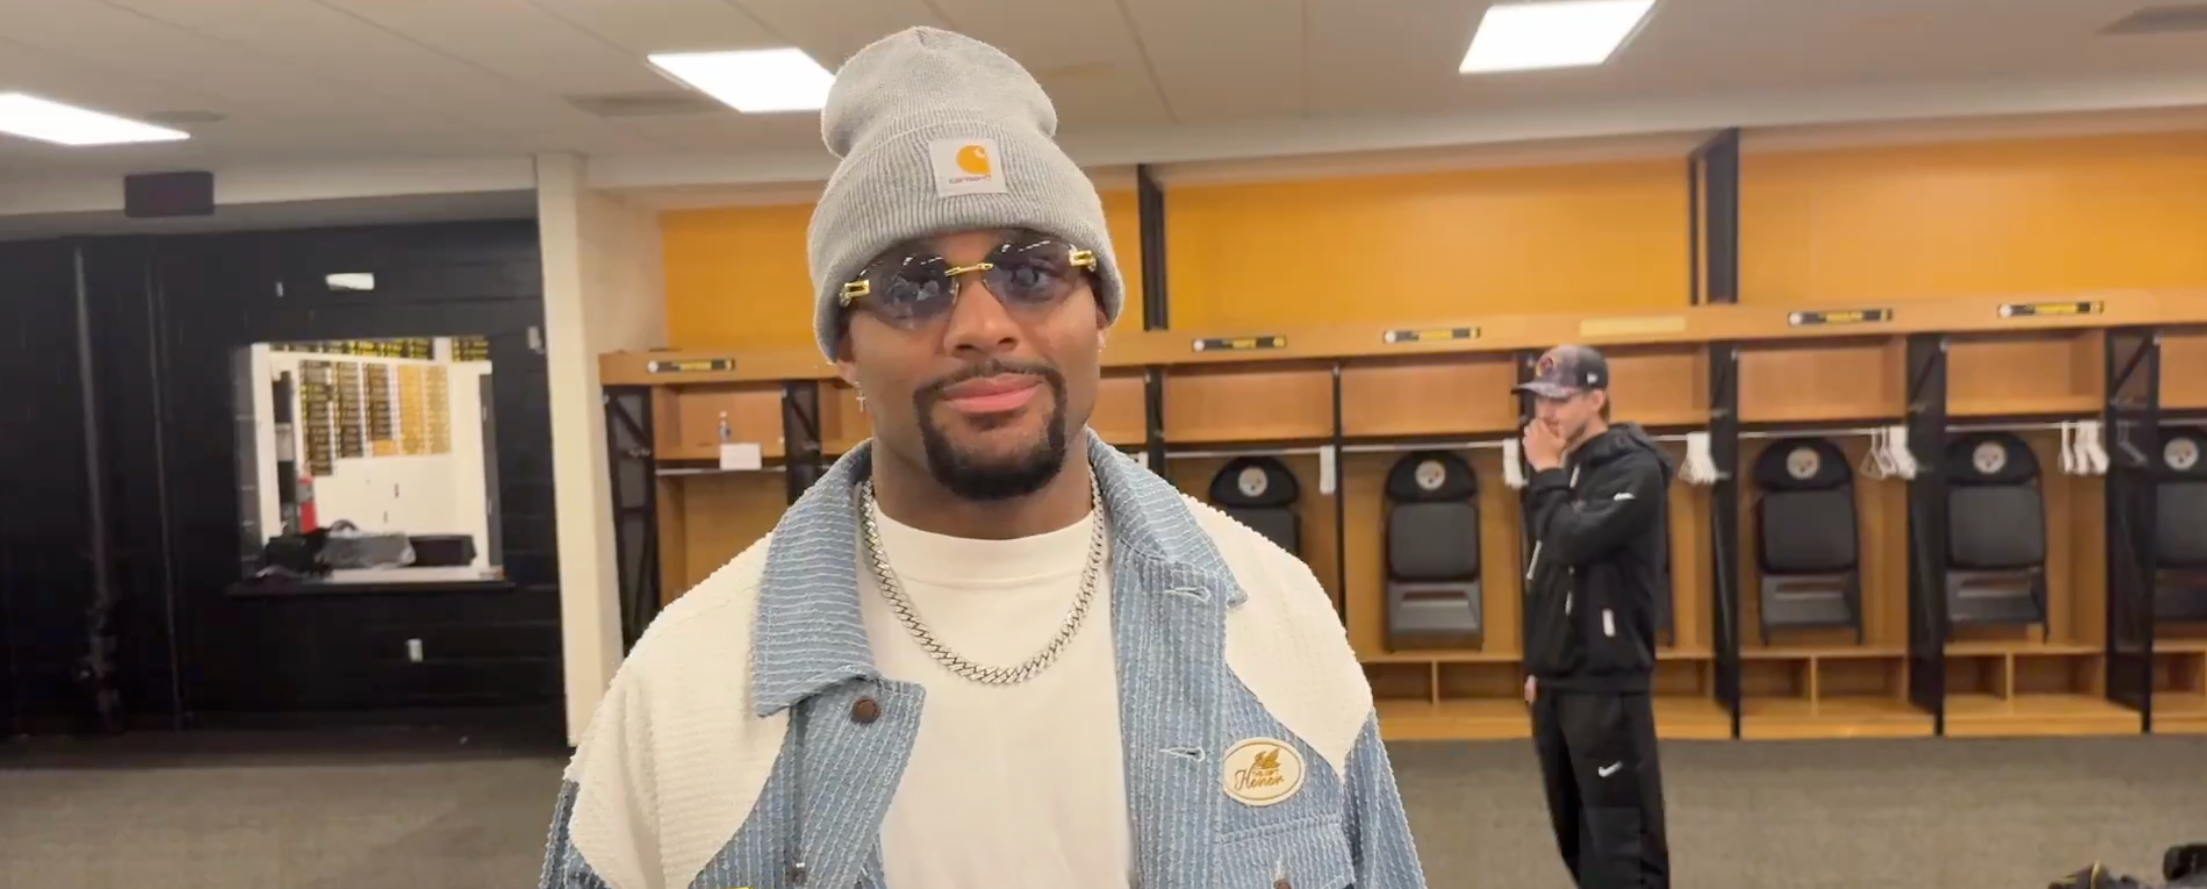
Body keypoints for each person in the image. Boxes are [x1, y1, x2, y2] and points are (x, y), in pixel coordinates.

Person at [538, 26, 1426, 889]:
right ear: (843, 345)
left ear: (1099, 311)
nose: (982, 326)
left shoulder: (1273, 615)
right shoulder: (687, 680)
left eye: (1032, 272)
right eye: (912, 286)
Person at [1514, 344, 1675, 889]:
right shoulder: (1562, 470)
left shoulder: (1635, 469)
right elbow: (1545, 574)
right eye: (1540, 400)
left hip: (1608, 685)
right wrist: (1538, 664)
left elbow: (1572, 541)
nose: (1547, 413)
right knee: (1578, 839)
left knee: (1623, 844)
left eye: (1560, 399)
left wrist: (1545, 473)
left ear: (1597, 398)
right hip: (1558, 684)